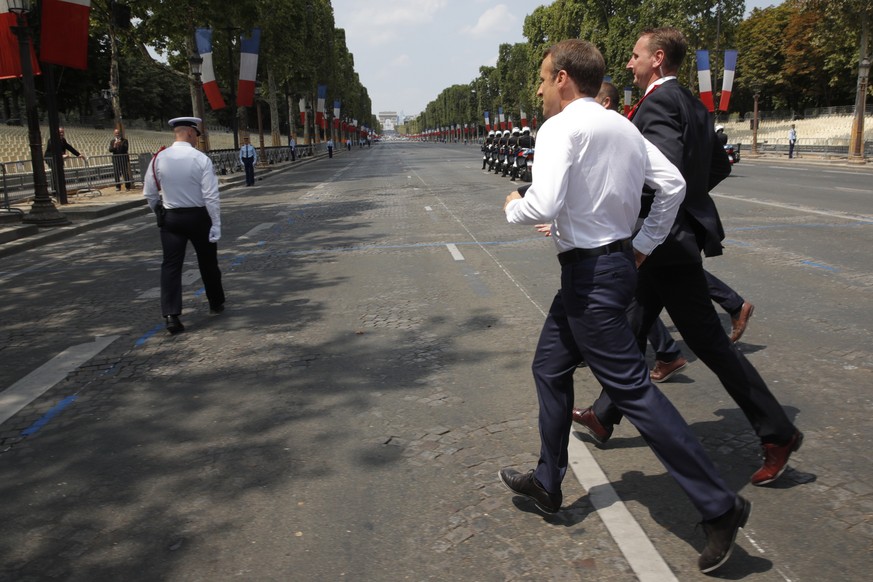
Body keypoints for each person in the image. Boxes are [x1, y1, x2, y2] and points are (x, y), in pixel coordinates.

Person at [498, 38, 749, 574]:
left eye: (544, 79)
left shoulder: (559, 128)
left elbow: (542, 202)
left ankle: (719, 506)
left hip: (589, 277)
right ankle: (547, 479)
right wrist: (642, 243)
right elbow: (674, 184)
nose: (540, 89)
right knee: (548, 366)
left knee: (634, 391)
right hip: (607, 268)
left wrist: (514, 206)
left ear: (564, 77)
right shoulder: (624, 127)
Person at [574, 28, 802, 489]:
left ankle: (778, 432)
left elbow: (661, 173)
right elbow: (717, 166)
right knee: (633, 326)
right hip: (673, 240)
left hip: (661, 243)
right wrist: (694, 202)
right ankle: (603, 414)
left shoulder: (658, 105)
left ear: (657, 59)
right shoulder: (694, 105)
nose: (629, 65)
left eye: (635, 56)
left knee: (709, 345)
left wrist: (622, 210)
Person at [143, 117, 225, 334]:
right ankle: (216, 301)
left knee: (170, 266)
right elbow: (210, 195)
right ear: (190, 132)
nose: (197, 139)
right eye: (197, 135)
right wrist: (216, 222)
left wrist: (159, 211)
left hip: (171, 218)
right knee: (208, 262)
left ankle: (171, 316)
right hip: (198, 216)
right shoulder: (200, 159)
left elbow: (149, 193)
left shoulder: (158, 158)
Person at [44, 127, 86, 194]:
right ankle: (55, 191)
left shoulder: (63, 140)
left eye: (62, 132)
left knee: (60, 173)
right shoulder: (52, 140)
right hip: (51, 159)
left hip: (59, 158)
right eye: (60, 132)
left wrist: (78, 154)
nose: (62, 134)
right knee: (55, 173)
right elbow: (53, 150)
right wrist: (61, 155)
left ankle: (61, 189)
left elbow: (69, 147)